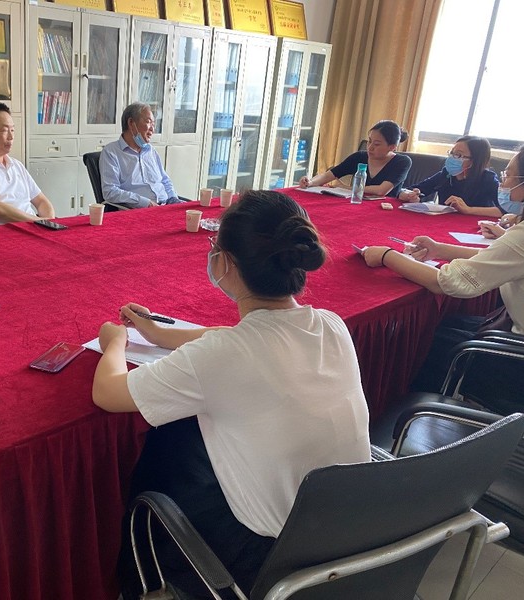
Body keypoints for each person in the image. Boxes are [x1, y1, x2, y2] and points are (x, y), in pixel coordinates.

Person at [92, 190, 371, 598]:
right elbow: (237, 338)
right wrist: (159, 334)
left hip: (272, 562)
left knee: (164, 447)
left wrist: (115, 343)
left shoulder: (225, 354)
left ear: (224, 262)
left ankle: (139, 581)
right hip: (350, 535)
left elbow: (108, 393)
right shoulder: (331, 324)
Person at [360, 198, 524, 413]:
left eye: (508, 179)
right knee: (448, 323)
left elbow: (449, 282)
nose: (503, 184)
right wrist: (439, 250)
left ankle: (395, 417)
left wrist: (386, 256)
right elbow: (498, 256)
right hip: (509, 327)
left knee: (428, 339)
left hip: (515, 364)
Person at [298, 120, 411, 197]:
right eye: (369, 141)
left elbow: (381, 190)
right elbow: (328, 175)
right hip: (356, 205)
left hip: (385, 211)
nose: (370, 147)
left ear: (392, 147)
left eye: (376, 144)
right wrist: (310, 182)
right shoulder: (360, 157)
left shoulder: (402, 162)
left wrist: (346, 188)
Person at [99, 102, 181, 208]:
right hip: (140, 211)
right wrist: (146, 203)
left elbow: (165, 180)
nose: (152, 129)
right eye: (148, 122)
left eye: (153, 124)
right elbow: (110, 191)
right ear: (131, 123)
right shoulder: (111, 152)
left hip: (166, 207)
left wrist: (173, 199)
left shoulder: (151, 151)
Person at [398, 136, 501, 217]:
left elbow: (503, 210)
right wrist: (409, 195)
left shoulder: (488, 179)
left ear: (475, 161)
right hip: (444, 224)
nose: (452, 158)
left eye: (458, 155)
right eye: (452, 153)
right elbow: (413, 189)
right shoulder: (446, 174)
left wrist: (469, 210)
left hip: (476, 228)